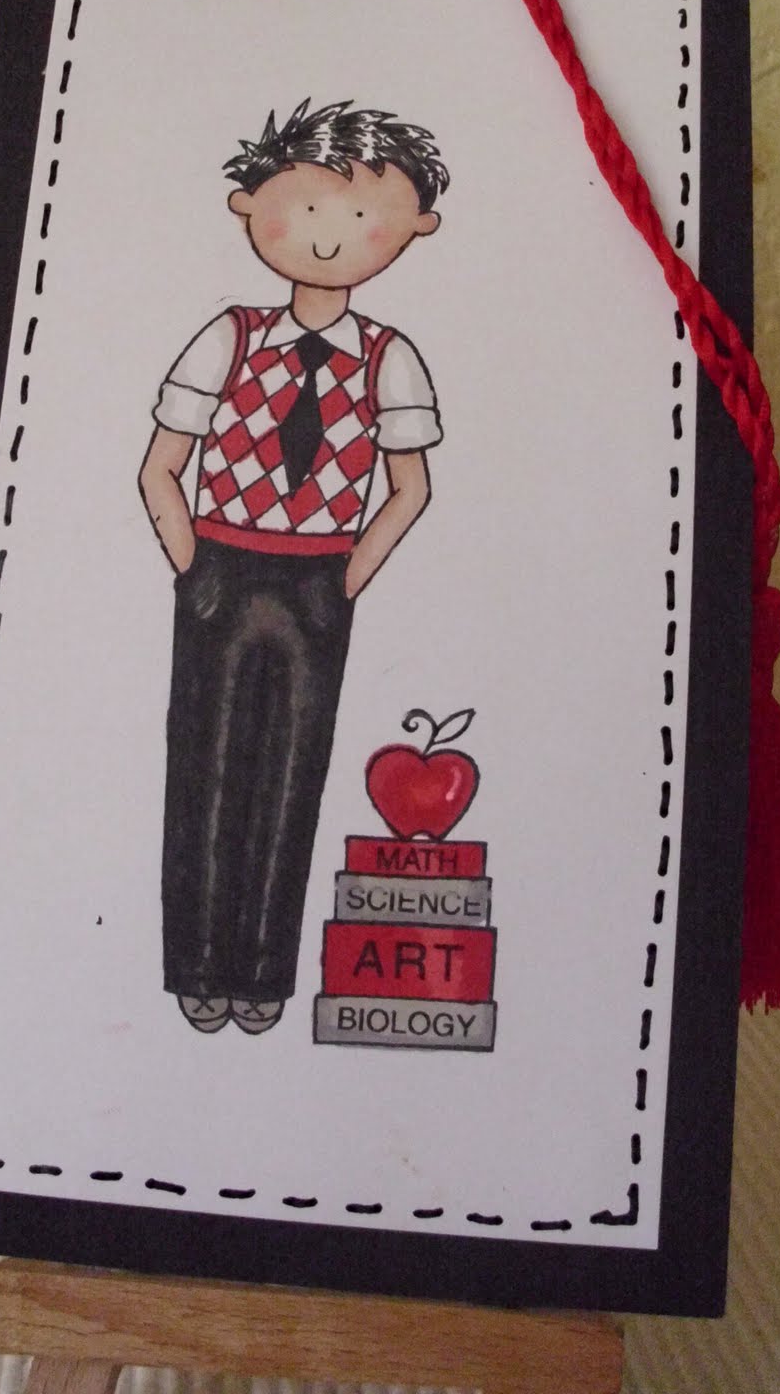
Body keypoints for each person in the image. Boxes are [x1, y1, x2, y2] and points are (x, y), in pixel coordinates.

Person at [139, 99, 449, 1035]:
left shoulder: (389, 358)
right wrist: (193, 565)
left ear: (416, 227)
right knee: (207, 773)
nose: (328, 235)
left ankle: (264, 976)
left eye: (362, 216)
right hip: (222, 572)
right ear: (250, 206)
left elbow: (410, 488)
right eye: (307, 208)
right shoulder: (229, 336)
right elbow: (161, 466)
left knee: (290, 779)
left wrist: (346, 578)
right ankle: (198, 967)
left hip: (318, 584)